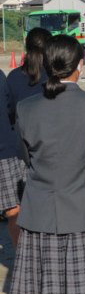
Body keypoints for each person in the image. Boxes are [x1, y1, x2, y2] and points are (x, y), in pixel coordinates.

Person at [10, 35, 85, 294]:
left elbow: (26, 158)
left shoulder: (26, 108)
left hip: (41, 211)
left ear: (47, 65)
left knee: (43, 289)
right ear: (79, 66)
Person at [0, 69, 27, 250]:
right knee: (14, 209)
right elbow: (10, 108)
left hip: (5, 149)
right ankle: (25, 259)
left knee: (13, 210)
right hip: (6, 148)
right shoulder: (1, 75)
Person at [6, 27, 52, 126]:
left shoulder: (13, 76)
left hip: (20, 134)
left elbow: (8, 110)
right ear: (49, 49)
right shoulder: (55, 75)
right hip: (49, 135)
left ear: (26, 47)